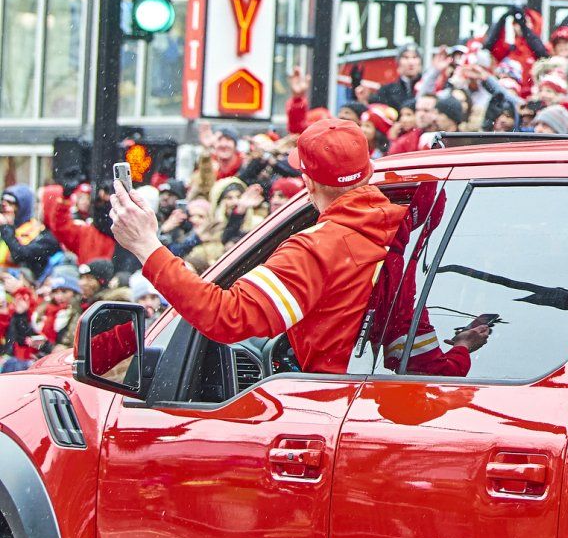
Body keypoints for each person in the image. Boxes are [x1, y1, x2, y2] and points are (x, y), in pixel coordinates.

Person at [107, 117, 409, 375]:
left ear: (309, 183)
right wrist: (459, 352)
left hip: (335, 405)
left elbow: (226, 316)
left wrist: (146, 246)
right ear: (368, 171)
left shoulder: (316, 249)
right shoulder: (411, 225)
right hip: (389, 402)